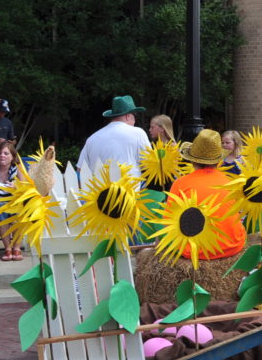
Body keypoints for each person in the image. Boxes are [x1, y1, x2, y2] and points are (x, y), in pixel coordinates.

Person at [164, 129, 246, 260]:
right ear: (218, 161)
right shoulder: (230, 182)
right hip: (233, 246)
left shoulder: (180, 183)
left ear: (192, 160)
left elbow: (168, 221)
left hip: (195, 251)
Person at [78, 95, 151, 178]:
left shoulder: (92, 138)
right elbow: (148, 165)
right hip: (129, 190)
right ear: (128, 116)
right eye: (135, 115)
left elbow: (80, 170)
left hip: (98, 190)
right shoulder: (138, 133)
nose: (135, 121)